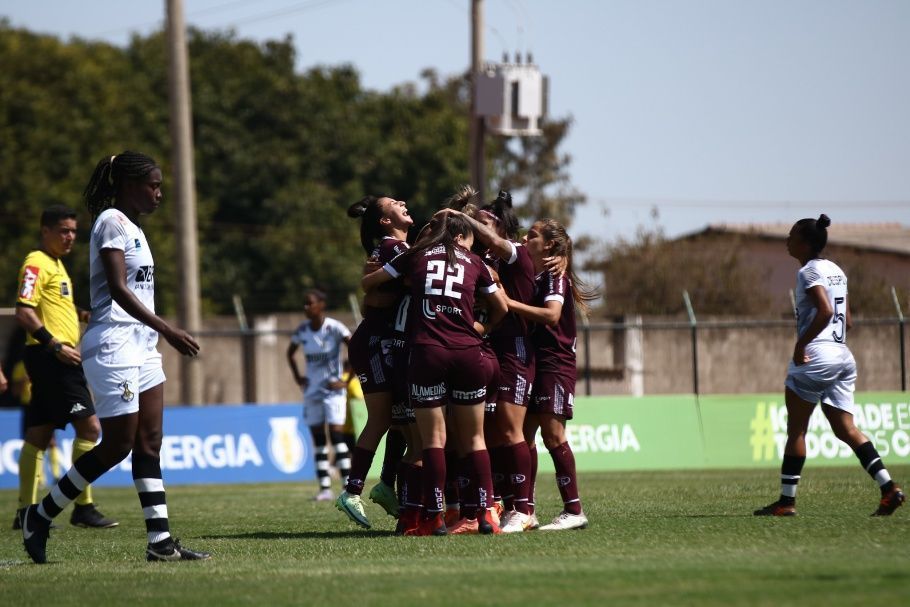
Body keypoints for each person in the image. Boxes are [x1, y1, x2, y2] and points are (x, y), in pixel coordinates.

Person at [21, 151, 210, 564]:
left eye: (160, 185)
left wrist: (156, 333)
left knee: (150, 442)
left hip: (142, 344)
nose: (159, 193)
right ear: (127, 184)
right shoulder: (110, 221)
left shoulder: (135, 227)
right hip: (114, 343)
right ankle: (40, 514)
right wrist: (169, 329)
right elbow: (119, 290)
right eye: (152, 185)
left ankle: (159, 542)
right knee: (118, 445)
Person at [362, 212, 507, 535]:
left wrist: (394, 279)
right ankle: (485, 515)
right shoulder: (474, 262)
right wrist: (481, 327)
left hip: (427, 352)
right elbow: (502, 308)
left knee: (433, 441)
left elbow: (368, 284)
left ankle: (435, 517)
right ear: (460, 236)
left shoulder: (416, 255)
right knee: (474, 438)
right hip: (469, 352)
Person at [754, 214, 904, 517]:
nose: (787, 239)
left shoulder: (808, 272)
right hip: (842, 354)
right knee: (846, 429)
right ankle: (888, 489)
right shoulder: (836, 270)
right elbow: (846, 319)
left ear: (806, 243)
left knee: (797, 430)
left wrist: (802, 344)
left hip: (816, 356)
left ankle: (786, 502)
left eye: (793, 234)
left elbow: (824, 311)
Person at [13, 205, 117, 531]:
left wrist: (83, 315)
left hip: (54, 359)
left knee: (39, 434)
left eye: (73, 230)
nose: (70, 236)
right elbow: (23, 311)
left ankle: (25, 511)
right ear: (45, 231)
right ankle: (83, 507)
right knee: (90, 430)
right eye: (63, 230)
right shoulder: (35, 263)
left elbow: (57, 307)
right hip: (53, 359)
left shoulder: (56, 265)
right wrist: (55, 345)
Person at [504, 219, 595, 531]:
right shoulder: (541, 274)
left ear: (549, 247)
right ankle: (525, 510)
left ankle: (574, 509)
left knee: (553, 435)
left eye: (532, 235)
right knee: (525, 435)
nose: (525, 238)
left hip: (555, 364)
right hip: (536, 362)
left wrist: (508, 303)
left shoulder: (556, 277)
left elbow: (552, 315)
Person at [337, 195, 413, 528]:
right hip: (374, 343)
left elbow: (378, 295)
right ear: (384, 221)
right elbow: (408, 283)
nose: (403, 202)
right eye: (395, 203)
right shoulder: (393, 249)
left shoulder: (396, 249)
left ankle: (385, 485)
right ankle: (352, 491)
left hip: (388, 343)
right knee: (382, 419)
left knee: (400, 419)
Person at [286, 289, 352, 501]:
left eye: (310, 304)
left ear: (321, 305)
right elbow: (290, 353)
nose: (306, 308)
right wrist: (298, 377)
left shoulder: (334, 328)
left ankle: (346, 486)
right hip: (312, 391)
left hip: (333, 391)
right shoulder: (303, 330)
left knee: (337, 436)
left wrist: (347, 379)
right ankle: (325, 488)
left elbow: (355, 348)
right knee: (319, 439)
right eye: (304, 304)